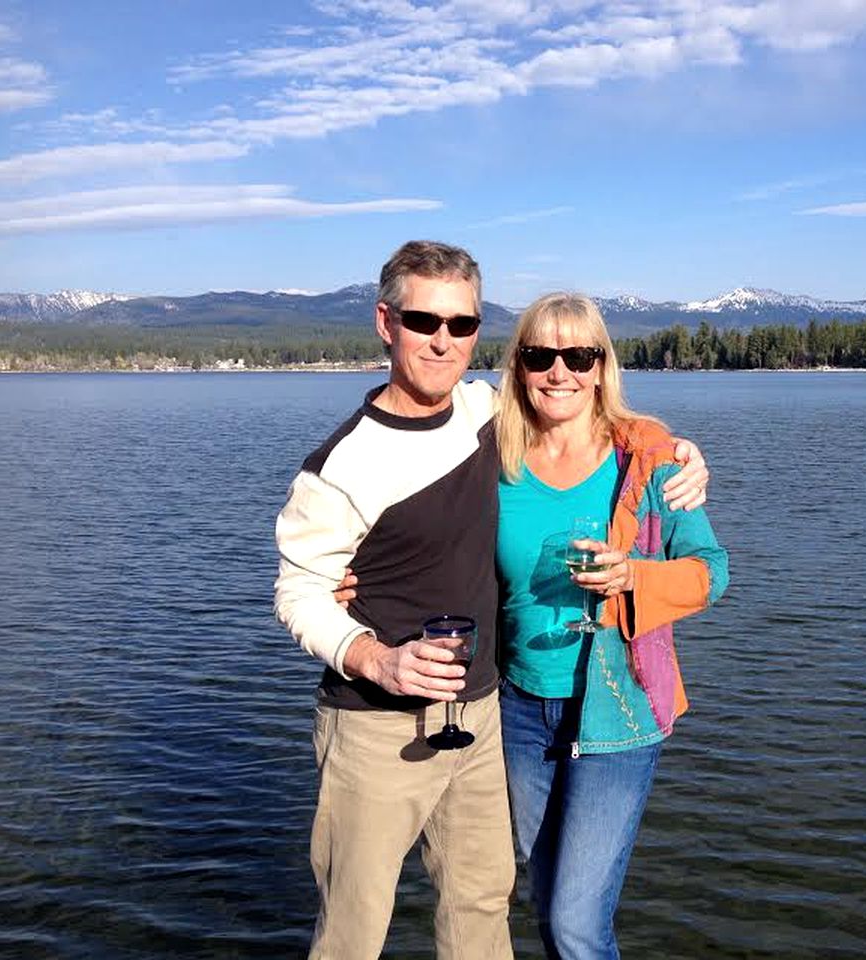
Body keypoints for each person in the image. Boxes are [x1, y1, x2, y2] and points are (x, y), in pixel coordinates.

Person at [274, 242, 707, 960]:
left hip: (481, 717)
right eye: (423, 320)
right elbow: (297, 591)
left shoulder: (487, 412)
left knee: (481, 911)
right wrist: (374, 657)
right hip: (376, 727)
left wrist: (674, 447)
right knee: (353, 930)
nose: (443, 340)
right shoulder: (339, 466)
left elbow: (587, 409)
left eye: (462, 324)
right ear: (387, 323)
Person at [494, 293, 729, 959]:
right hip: (517, 707)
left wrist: (635, 579)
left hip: (618, 709)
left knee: (575, 922)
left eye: (578, 355)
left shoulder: (648, 455)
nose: (559, 371)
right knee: (549, 906)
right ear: (518, 366)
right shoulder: (494, 455)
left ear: (602, 367)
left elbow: (713, 571)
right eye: (541, 355)